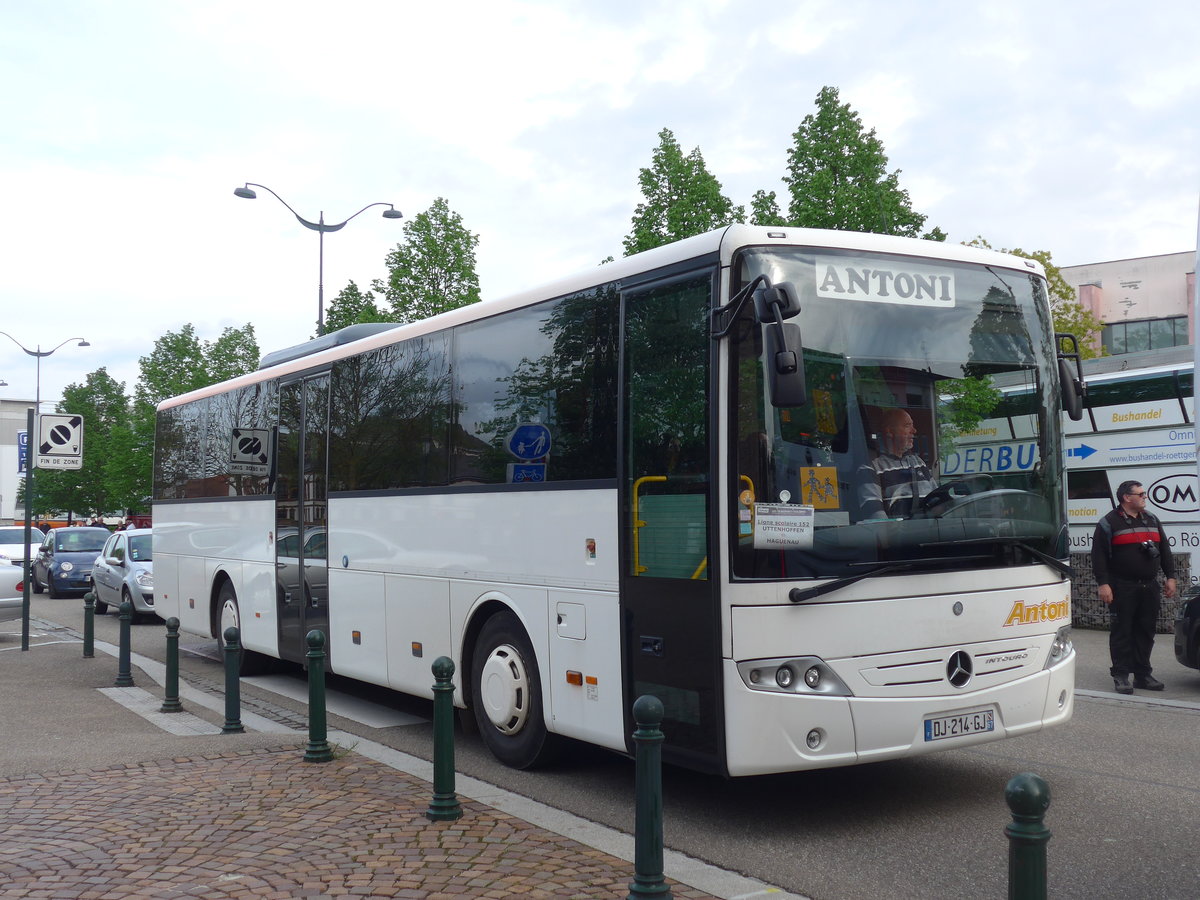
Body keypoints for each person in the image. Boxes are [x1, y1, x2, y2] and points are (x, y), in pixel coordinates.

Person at [1092, 480, 1176, 694]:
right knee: (1122, 631)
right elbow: (1098, 557)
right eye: (1141, 494)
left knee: (1146, 631)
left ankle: (1142, 674)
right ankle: (1121, 675)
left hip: (1150, 586)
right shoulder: (1108, 522)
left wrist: (1171, 577)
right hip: (1122, 586)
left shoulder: (1152, 519)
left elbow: (1164, 549)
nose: (1144, 497)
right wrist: (1104, 584)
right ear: (1127, 498)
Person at [857, 407, 937, 519]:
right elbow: (876, 516)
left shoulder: (918, 462)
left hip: (928, 532)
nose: (914, 431)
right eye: (907, 426)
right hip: (899, 535)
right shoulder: (871, 467)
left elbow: (937, 500)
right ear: (889, 431)